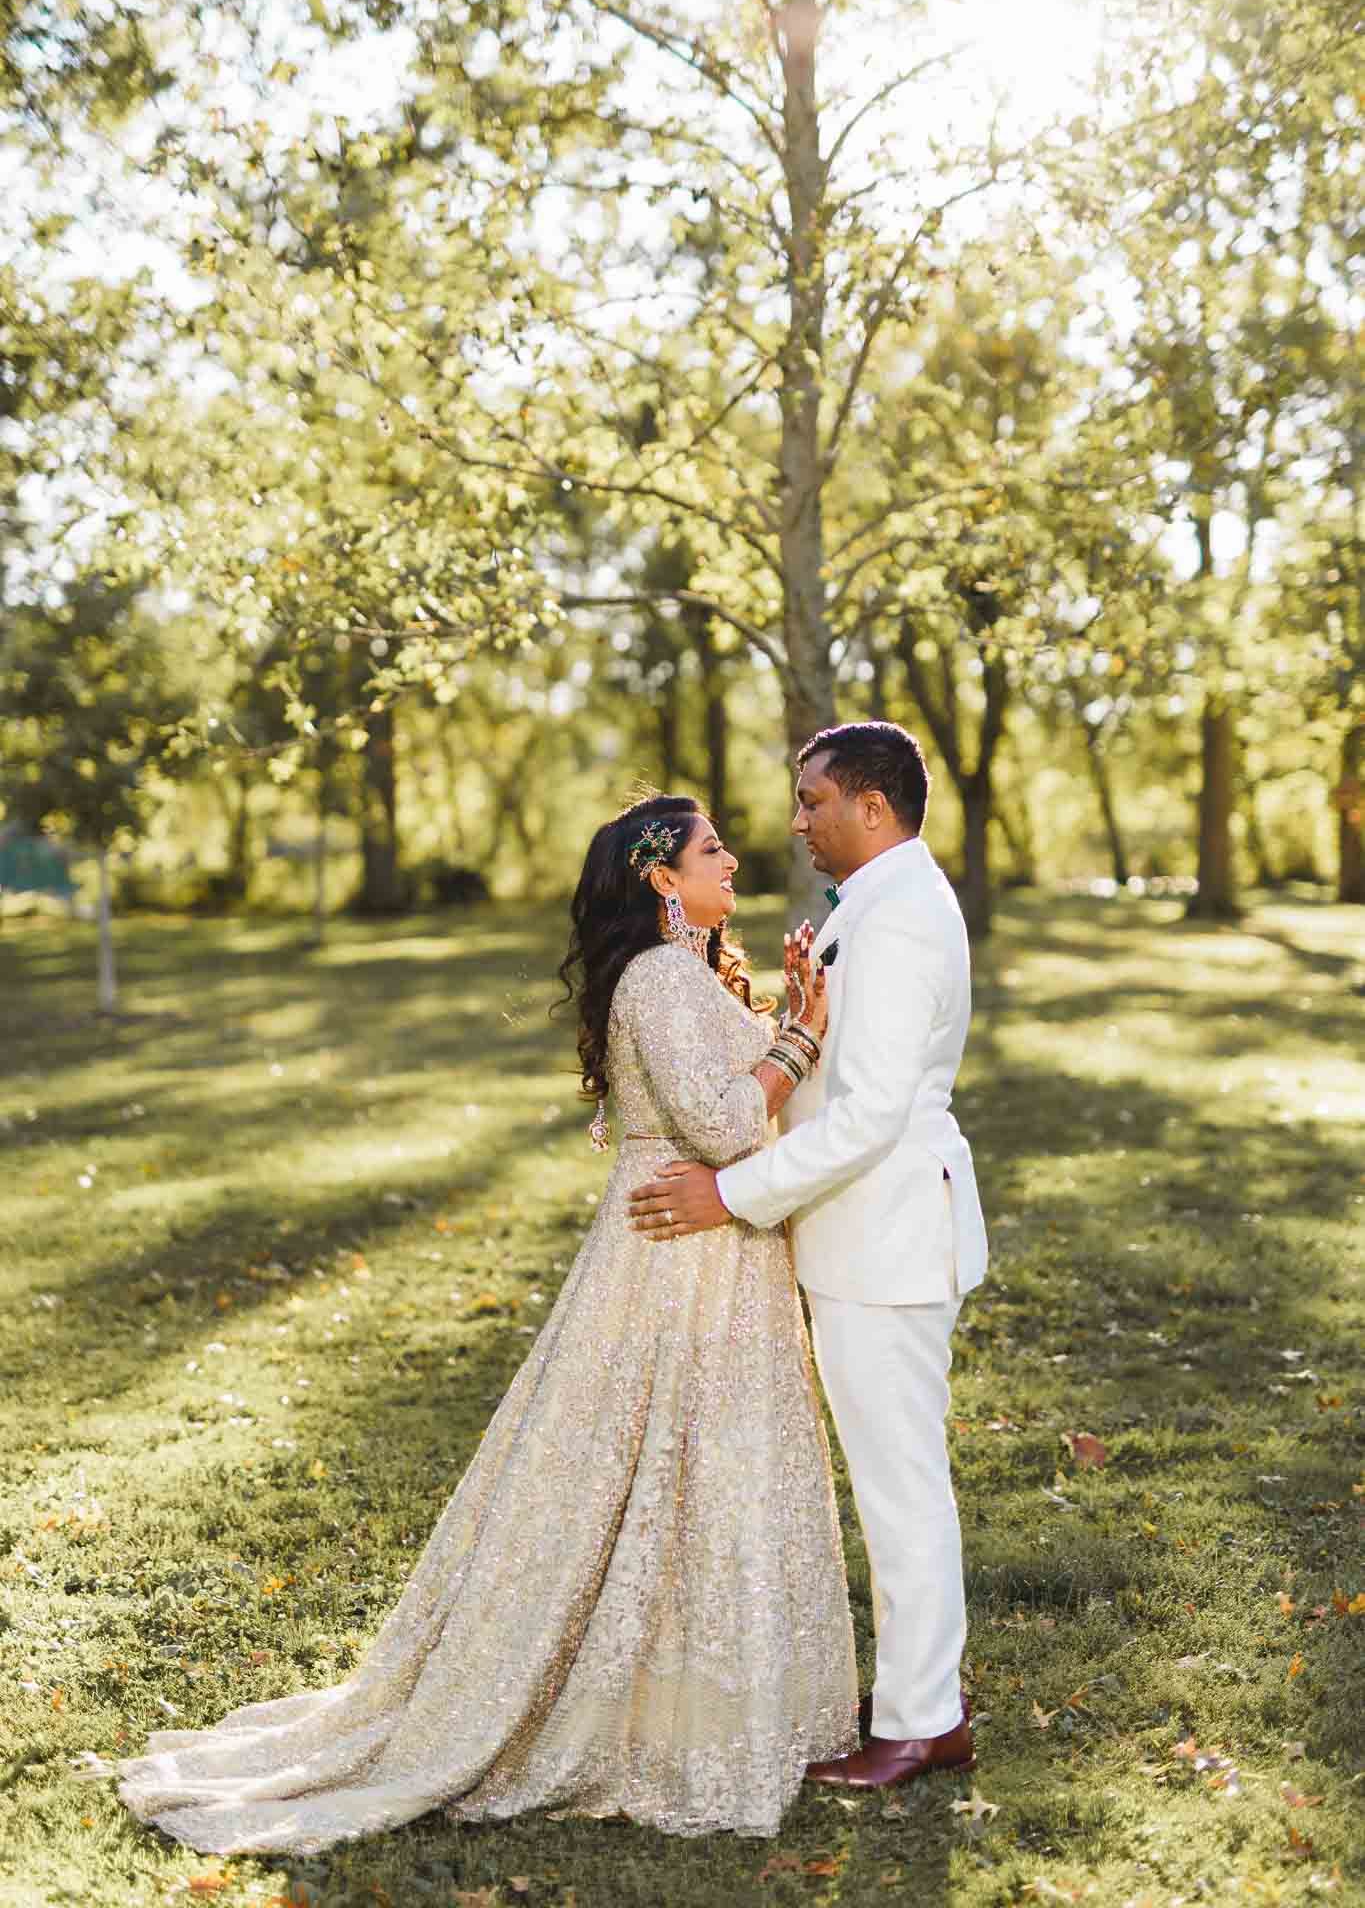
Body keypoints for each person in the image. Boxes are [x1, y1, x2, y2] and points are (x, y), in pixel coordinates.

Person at [87, 794, 857, 1853]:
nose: (733, 858)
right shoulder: (659, 976)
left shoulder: (688, 972)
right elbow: (727, 1123)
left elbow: (722, 1092)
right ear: (661, 880)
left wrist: (781, 1013)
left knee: (695, 1479)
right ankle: (622, 1710)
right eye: (711, 847)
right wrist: (804, 1033)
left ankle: (700, 1699)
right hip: (677, 1266)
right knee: (648, 1477)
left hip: (712, 1257)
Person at [629, 722, 988, 1791]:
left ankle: (925, 1719)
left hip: (885, 1235)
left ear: (872, 806)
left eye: (813, 798)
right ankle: (919, 1692)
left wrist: (729, 1193)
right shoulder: (871, 910)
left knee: (901, 1484)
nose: (795, 820)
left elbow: (873, 1113)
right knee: (892, 1477)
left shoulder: (903, 919)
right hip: (856, 1231)